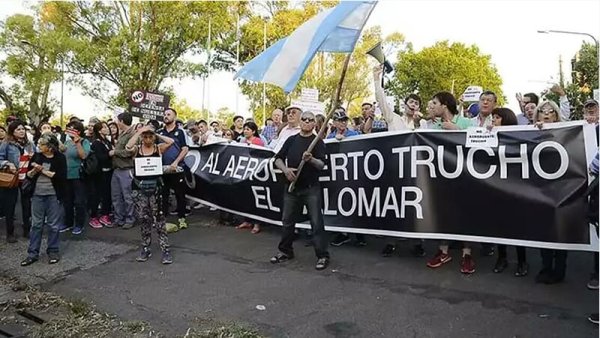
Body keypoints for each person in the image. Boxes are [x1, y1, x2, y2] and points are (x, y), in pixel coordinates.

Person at [270, 111, 330, 270]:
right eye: (304, 119)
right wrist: (285, 170)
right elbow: (277, 159)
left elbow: (322, 165)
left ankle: (322, 255)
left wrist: (311, 160)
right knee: (288, 221)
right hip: (292, 188)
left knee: (316, 222)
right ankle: (285, 251)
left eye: (310, 120)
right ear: (300, 121)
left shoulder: (318, 142)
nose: (306, 122)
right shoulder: (291, 140)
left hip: (311, 188)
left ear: (314, 124)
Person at [424, 91, 476, 274]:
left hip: (464, 178)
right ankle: (443, 251)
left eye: (435, 102)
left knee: (465, 215)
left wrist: (458, 131)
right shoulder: (433, 128)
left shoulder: (467, 123)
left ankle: (466, 254)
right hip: (442, 179)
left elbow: (479, 143)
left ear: (444, 104)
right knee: (444, 214)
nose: (433, 106)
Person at [125, 124, 175, 264]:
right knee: (143, 219)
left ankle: (165, 250)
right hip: (139, 189)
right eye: (145, 136)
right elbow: (128, 147)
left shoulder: (158, 148)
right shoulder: (137, 149)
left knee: (159, 220)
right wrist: (140, 131)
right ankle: (145, 248)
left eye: (150, 136)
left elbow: (171, 142)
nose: (148, 139)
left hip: (156, 189)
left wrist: (156, 134)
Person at [489, 108, 528, 276]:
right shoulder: (490, 136)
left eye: (497, 118)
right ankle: (502, 257)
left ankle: (522, 261)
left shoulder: (518, 137)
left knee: (518, 227)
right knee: (500, 226)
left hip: (516, 189)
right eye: (493, 117)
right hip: (497, 188)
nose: (493, 121)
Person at [20, 133, 66, 266]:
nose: (39, 146)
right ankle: (32, 253)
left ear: (50, 147)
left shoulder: (60, 158)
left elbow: (61, 176)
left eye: (42, 144)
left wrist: (43, 171)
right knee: (36, 224)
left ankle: (53, 250)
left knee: (53, 224)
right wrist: (34, 170)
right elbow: (28, 175)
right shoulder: (37, 156)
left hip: (53, 194)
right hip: (37, 194)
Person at [0, 120, 36, 242]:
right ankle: (10, 233)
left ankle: (27, 229)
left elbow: (37, 157)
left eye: (22, 129)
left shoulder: (30, 144)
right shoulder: (6, 144)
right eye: (18, 129)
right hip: (12, 178)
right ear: (12, 131)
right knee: (10, 206)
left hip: (26, 178)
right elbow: (0, 158)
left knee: (27, 205)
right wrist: (7, 163)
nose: (21, 131)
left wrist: (33, 158)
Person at [157, 108, 190, 230]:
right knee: (163, 195)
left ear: (174, 117)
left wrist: (176, 162)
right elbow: (157, 149)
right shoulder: (159, 132)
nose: (166, 116)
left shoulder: (180, 132)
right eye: (164, 114)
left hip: (177, 169)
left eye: (168, 114)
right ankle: (163, 219)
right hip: (163, 170)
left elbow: (185, 149)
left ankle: (182, 218)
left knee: (180, 195)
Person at [61, 120, 91, 235]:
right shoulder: (66, 142)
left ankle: (79, 224)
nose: (70, 131)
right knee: (67, 201)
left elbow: (83, 155)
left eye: (72, 129)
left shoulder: (84, 141)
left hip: (78, 175)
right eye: (68, 128)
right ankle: (68, 222)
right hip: (66, 175)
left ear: (78, 131)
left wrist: (77, 143)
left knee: (79, 201)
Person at [111, 112, 136, 229]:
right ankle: (118, 218)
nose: (117, 123)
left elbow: (129, 152)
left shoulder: (133, 134)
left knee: (128, 197)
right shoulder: (122, 134)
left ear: (121, 121)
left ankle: (130, 219)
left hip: (127, 169)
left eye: (117, 120)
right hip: (117, 169)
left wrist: (115, 152)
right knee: (116, 196)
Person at [88, 121, 114, 228]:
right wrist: (110, 153)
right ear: (99, 130)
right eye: (104, 127)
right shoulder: (96, 143)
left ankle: (105, 214)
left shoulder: (107, 142)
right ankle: (93, 217)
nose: (107, 128)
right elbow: (100, 157)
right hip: (99, 173)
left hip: (109, 172)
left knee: (107, 195)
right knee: (97, 195)